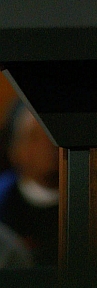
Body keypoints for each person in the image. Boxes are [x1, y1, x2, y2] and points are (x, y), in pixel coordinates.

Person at [0, 105, 59, 266]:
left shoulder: (88, 202)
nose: (47, 146)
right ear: (13, 149)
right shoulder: (3, 199)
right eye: (34, 137)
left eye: (51, 136)